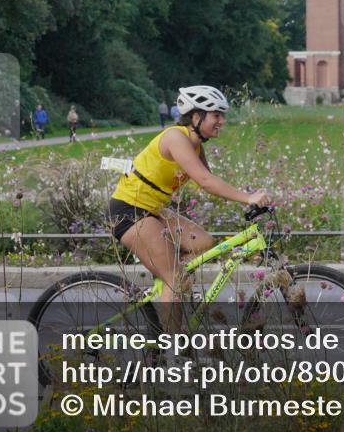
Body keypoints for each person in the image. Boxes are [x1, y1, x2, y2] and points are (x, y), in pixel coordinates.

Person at [109, 85, 271, 330]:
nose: (222, 121)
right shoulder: (176, 137)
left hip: (153, 211)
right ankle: (173, 354)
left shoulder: (196, 145)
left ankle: (168, 283)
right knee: (174, 277)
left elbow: (208, 183)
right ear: (196, 116)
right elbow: (205, 180)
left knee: (204, 243)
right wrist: (247, 197)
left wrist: (245, 201)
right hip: (128, 211)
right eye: (216, 115)